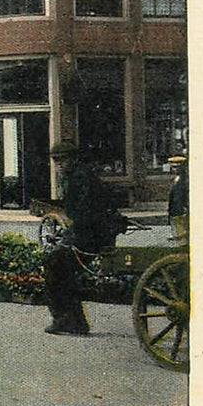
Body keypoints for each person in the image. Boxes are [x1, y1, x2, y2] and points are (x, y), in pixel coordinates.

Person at [43, 142, 125, 336]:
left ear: (73, 159)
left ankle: (65, 319)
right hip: (94, 234)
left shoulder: (78, 179)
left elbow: (83, 214)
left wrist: (69, 236)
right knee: (64, 270)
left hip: (88, 238)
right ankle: (74, 321)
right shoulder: (83, 175)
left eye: (62, 160)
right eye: (56, 161)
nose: (59, 165)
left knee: (53, 264)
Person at [167, 154, 188, 245]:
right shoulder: (176, 179)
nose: (174, 169)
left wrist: (184, 209)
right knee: (179, 235)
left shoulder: (185, 180)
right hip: (175, 212)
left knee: (183, 236)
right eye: (173, 167)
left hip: (181, 212)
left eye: (177, 167)